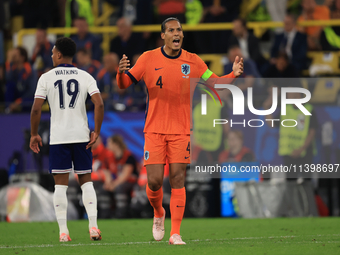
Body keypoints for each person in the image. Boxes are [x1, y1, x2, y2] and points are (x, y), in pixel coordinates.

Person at [116, 17, 243, 245]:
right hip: (154, 130)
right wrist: (120, 73)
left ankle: (175, 233)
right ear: (163, 35)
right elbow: (125, 84)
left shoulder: (193, 62)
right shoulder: (148, 58)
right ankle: (158, 213)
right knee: (154, 182)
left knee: (177, 178)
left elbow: (214, 83)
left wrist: (232, 73)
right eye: (172, 30)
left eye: (180, 30)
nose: (177, 34)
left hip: (181, 131)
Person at [29, 37, 104, 242]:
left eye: (53, 52)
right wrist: (96, 131)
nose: (52, 55)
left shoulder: (46, 77)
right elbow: (99, 104)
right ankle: (94, 228)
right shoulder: (85, 76)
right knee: (86, 182)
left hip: (59, 138)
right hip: (81, 136)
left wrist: (34, 134)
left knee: (60, 186)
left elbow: (36, 109)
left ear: (59, 54)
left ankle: (63, 232)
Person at [106, 135, 138, 218]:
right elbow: (107, 171)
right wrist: (109, 183)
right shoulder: (111, 157)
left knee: (120, 188)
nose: (107, 145)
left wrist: (114, 185)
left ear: (116, 144)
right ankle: (105, 214)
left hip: (132, 182)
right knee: (104, 189)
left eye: (109, 143)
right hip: (119, 181)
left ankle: (121, 215)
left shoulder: (128, 156)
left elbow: (125, 175)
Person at [5, 46, 36, 112]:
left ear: (22, 57)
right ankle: (8, 109)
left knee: (30, 99)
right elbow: (7, 79)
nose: (14, 57)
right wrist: (9, 62)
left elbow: (32, 90)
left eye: (16, 55)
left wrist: (19, 101)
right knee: (9, 86)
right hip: (17, 95)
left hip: (26, 97)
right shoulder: (13, 69)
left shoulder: (30, 70)